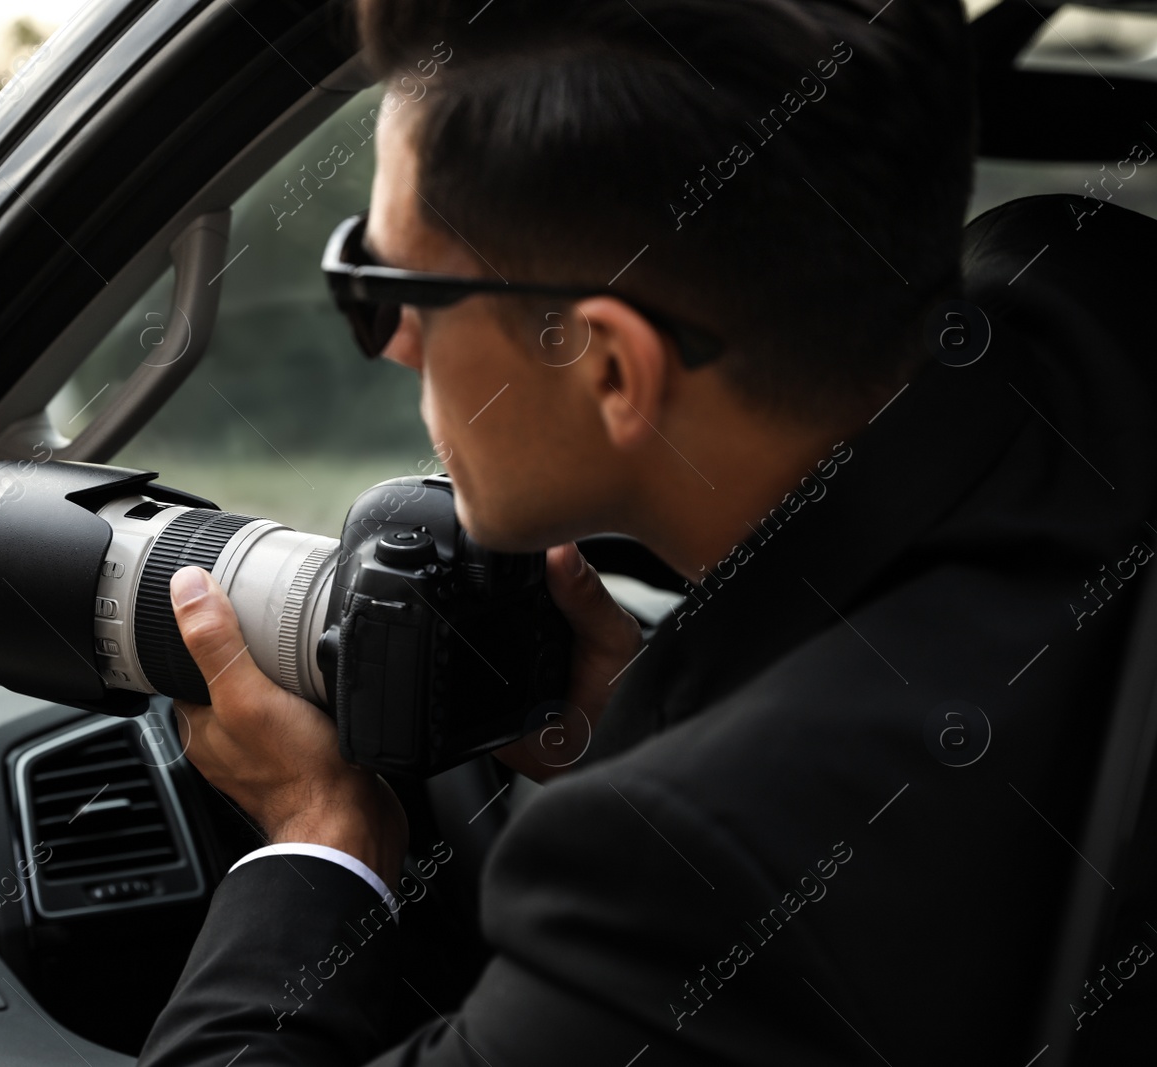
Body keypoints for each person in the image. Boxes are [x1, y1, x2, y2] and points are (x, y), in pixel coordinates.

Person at [139, 0, 1157, 1062]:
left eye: (384, 290)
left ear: (611, 366)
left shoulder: (692, 876)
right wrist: (658, 714)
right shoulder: (1096, 304)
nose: (391, 346)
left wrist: (316, 836)